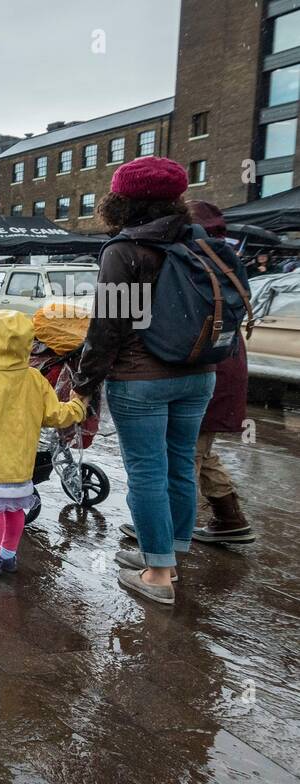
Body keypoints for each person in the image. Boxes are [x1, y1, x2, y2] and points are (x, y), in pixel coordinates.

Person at [73, 156, 220, 605]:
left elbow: (110, 325)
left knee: (147, 472)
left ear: (120, 200)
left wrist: (84, 383)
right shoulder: (199, 241)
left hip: (141, 378)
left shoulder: (126, 249)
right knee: (179, 466)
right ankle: (167, 555)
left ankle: (157, 574)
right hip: (199, 375)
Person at [119, 200, 256, 546]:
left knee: (181, 459)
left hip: (193, 368)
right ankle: (228, 519)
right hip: (218, 364)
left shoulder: (180, 255)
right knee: (197, 451)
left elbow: (117, 316)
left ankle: (164, 540)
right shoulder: (221, 258)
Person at [0, 310, 87, 576]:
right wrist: (78, 405)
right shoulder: (34, 378)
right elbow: (54, 414)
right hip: (22, 464)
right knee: (15, 509)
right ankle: (8, 556)